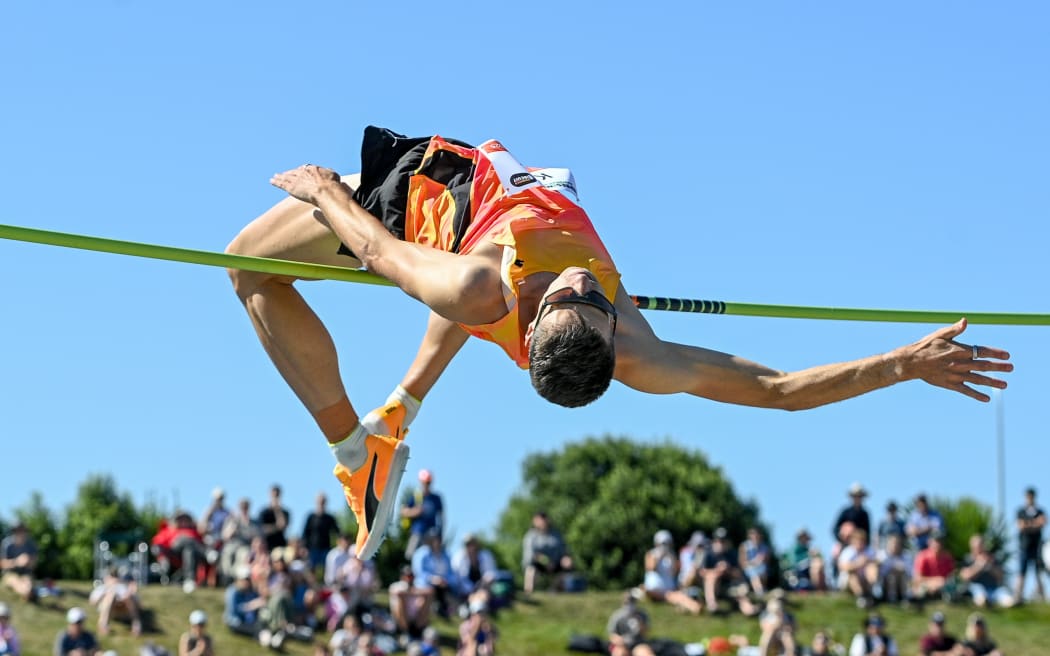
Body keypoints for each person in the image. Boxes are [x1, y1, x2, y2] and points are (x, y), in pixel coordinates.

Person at [226, 126, 1012, 559]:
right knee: (466, 285)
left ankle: (356, 449)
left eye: (575, 296)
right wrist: (903, 364)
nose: (583, 282)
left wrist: (324, 190)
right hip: (483, 231)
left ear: (532, 320)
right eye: (595, 298)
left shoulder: (480, 288)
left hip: (427, 203)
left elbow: (380, 252)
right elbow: (780, 392)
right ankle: (398, 414)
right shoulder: (636, 346)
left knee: (246, 267)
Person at [641, 530, 702, 615]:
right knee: (673, 596)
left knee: (676, 595)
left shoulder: (671, 555)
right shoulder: (651, 554)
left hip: (668, 588)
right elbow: (650, 568)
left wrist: (671, 558)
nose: (665, 546)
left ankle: (691, 606)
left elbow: (674, 572)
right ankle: (693, 606)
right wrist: (659, 557)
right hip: (654, 588)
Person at [959, 534, 1014, 609]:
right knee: (979, 592)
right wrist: (978, 566)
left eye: (981, 546)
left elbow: (1001, 577)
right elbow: (964, 577)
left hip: (994, 589)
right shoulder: (968, 559)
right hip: (976, 588)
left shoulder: (992, 559)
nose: (979, 549)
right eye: (976, 547)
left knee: (1007, 598)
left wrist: (990, 566)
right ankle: (984, 602)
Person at [88, 566, 143, 636]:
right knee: (111, 596)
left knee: (128, 597)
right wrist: (107, 590)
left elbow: (139, 604)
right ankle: (103, 625)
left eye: (115, 576)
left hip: (124, 610)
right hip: (109, 609)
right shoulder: (102, 588)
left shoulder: (124, 587)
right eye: (111, 576)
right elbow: (92, 602)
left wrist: (131, 590)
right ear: (106, 578)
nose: (114, 579)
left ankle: (136, 626)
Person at [832, 483, 871, 580]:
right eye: (855, 496)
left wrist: (861, 541)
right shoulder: (845, 512)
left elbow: (868, 532)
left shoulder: (865, 514)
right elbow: (835, 529)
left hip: (860, 544)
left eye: (859, 496)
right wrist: (842, 536)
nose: (857, 498)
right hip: (844, 543)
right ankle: (836, 578)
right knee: (836, 555)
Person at [1014, 485, 1046, 602]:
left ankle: (1042, 596)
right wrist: (1034, 524)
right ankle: (1018, 595)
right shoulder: (1021, 511)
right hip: (1024, 546)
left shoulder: (1040, 511)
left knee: (1038, 572)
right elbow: (1020, 526)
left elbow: (1042, 523)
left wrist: (1028, 524)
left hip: (1037, 546)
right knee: (1022, 572)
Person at [301, 492, 340, 577]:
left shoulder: (329, 518)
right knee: (311, 569)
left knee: (327, 569)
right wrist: (304, 547)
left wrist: (340, 543)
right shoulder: (311, 517)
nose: (321, 504)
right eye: (320, 501)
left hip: (326, 548)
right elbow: (305, 533)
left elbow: (337, 532)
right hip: (312, 549)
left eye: (323, 502)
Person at [607, 589, 655, 656]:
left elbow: (646, 634)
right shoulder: (617, 615)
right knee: (619, 653)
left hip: (638, 644)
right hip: (622, 645)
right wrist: (620, 641)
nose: (630, 604)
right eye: (628, 601)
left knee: (645, 653)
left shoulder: (642, 614)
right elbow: (612, 634)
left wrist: (640, 622)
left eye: (632, 601)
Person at [912, 533, 956, 601]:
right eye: (936, 541)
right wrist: (935, 581)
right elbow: (917, 578)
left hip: (943, 585)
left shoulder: (947, 556)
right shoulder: (922, 556)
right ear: (929, 542)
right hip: (926, 584)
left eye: (940, 542)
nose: (938, 544)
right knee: (920, 591)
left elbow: (952, 575)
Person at [0, 522, 37, 603]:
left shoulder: (31, 544)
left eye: (23, 531)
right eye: (18, 531)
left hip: (25, 573)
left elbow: (33, 565)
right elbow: (2, 564)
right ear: (14, 532)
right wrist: (17, 562)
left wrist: (29, 561)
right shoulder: (6, 544)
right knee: (14, 581)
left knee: (27, 582)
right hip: (9, 573)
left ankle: (28, 592)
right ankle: (27, 593)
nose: (21, 533)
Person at [258, 484, 291, 552]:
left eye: (277, 495)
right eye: (274, 495)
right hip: (267, 545)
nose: (275, 497)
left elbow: (283, 525)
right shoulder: (264, 512)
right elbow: (263, 529)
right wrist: (276, 527)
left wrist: (277, 510)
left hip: (280, 545)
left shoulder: (285, 512)